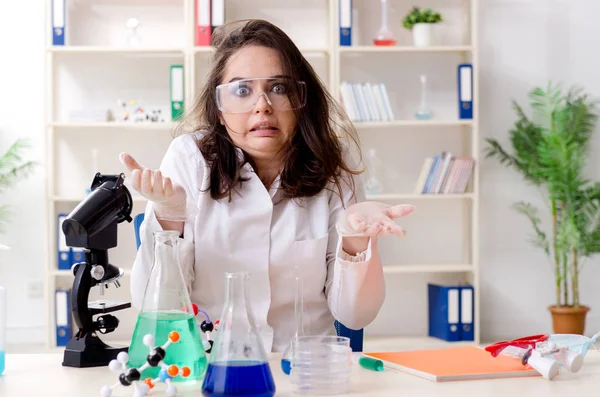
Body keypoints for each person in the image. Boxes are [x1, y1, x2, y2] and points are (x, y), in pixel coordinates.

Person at [120, 19, 415, 352]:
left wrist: (356, 239)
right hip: (215, 362)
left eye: (278, 88)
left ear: (301, 101)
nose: (262, 105)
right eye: (242, 90)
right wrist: (171, 218)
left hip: (305, 366)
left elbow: (356, 316)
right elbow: (154, 308)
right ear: (219, 109)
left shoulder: (334, 165)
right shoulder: (189, 158)